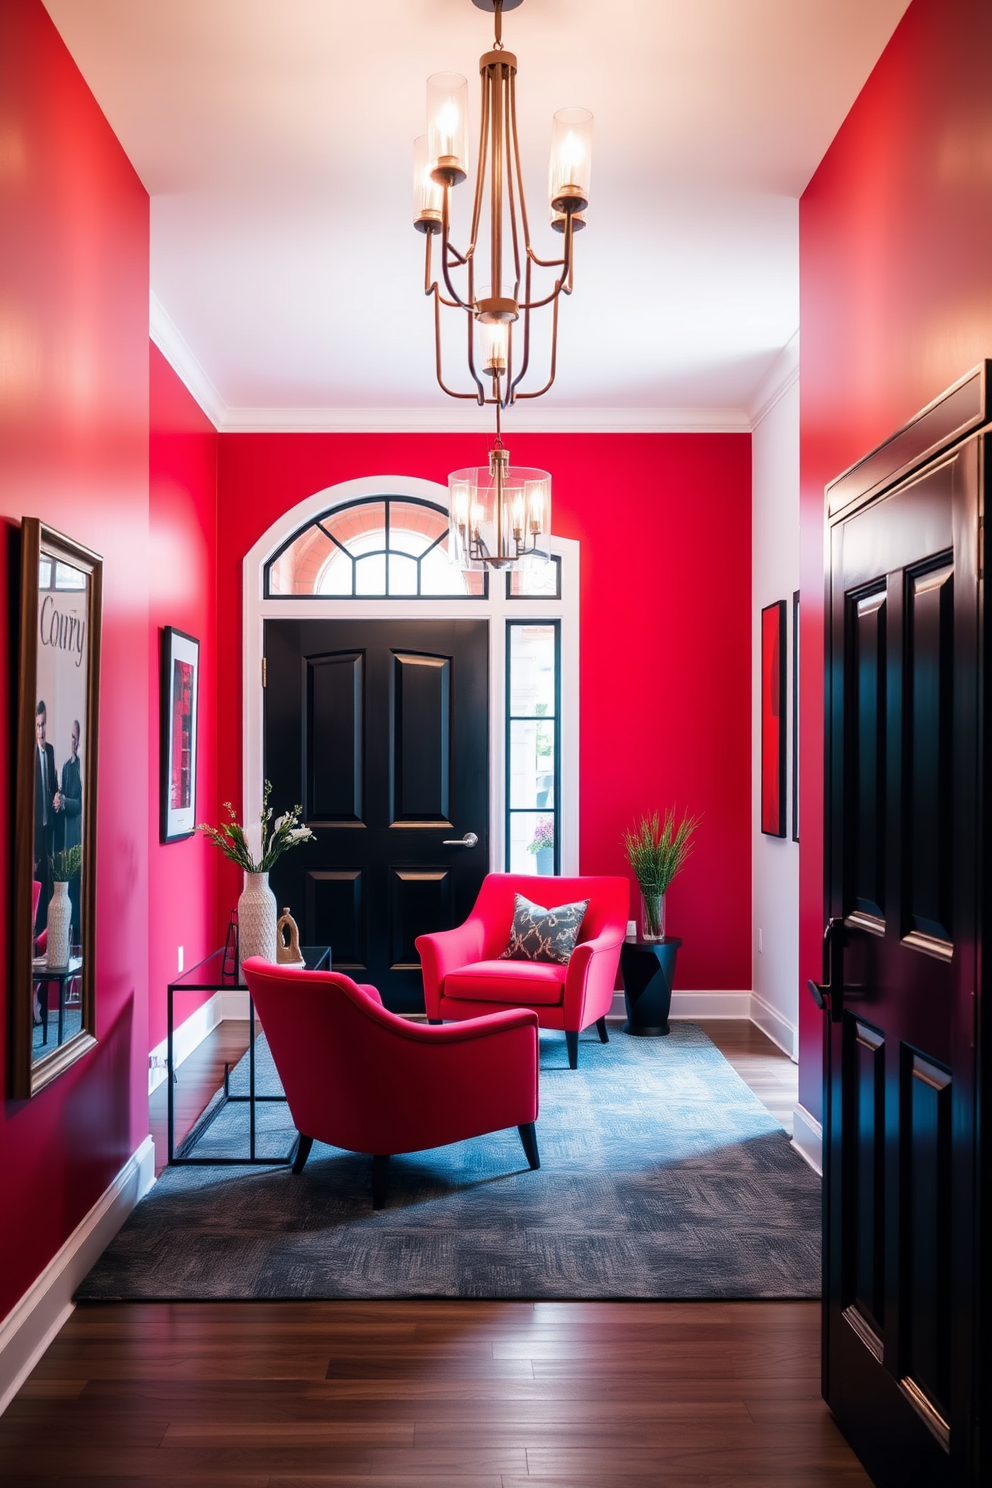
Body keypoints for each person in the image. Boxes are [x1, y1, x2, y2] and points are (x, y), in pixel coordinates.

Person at [54, 719, 82, 938]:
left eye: (75, 737)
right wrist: (58, 799)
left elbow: (79, 803)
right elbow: (63, 795)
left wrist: (65, 801)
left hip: (77, 833)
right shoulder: (65, 766)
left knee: (76, 886)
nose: (73, 741)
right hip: (66, 835)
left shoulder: (80, 767)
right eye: (71, 737)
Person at [34, 699, 57, 933]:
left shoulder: (49, 751)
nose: (41, 731)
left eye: (43, 725)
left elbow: (52, 786)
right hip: (35, 835)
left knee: (48, 885)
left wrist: (57, 796)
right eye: (38, 726)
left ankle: (44, 936)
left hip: (48, 829)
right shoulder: (28, 756)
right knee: (35, 889)